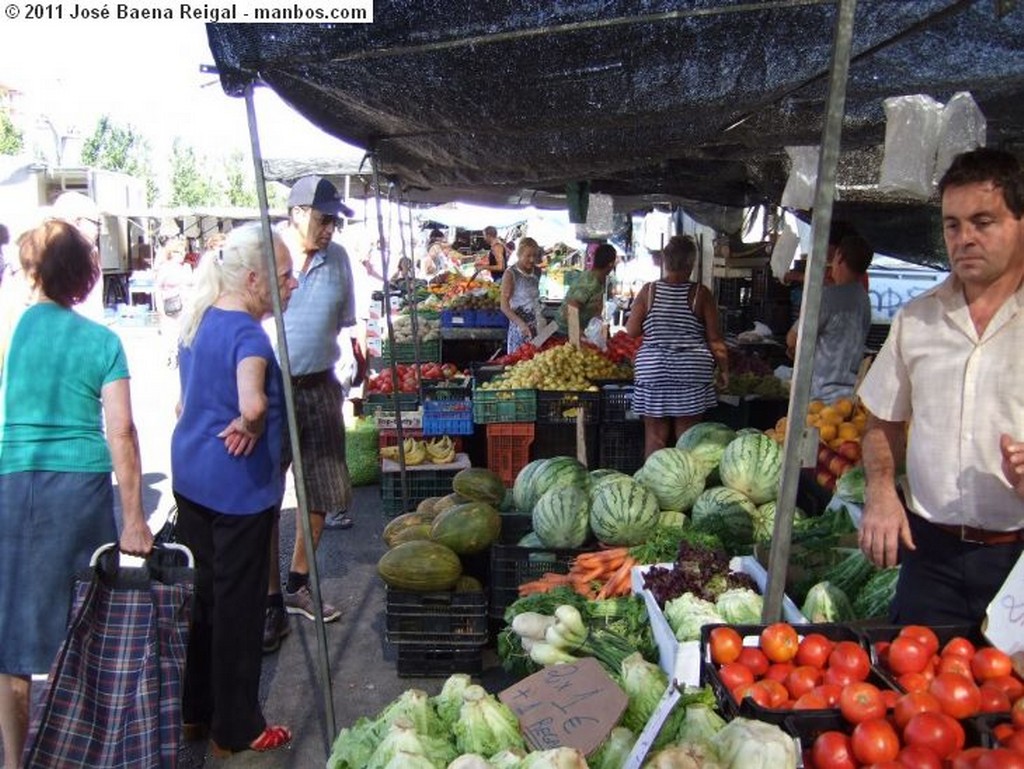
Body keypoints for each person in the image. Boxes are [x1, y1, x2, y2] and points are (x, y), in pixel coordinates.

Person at [0, 220, 154, 768]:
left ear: (33, 272)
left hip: (13, 484)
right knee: (87, 628)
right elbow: (122, 432)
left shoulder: (10, 333)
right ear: (86, 277)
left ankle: (16, 762)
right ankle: (82, 753)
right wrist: (134, 519)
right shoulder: (102, 341)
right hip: (81, 492)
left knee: (12, 645)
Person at [858, 147, 1024, 628]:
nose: (964, 238)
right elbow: (880, 423)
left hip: (1017, 561)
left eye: (983, 221)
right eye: (953, 224)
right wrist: (882, 492)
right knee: (912, 694)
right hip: (930, 556)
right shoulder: (917, 320)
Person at [171, 223, 296, 756]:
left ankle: (195, 712)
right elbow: (252, 403)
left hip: (191, 478)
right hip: (236, 493)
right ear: (253, 279)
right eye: (284, 277)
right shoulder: (250, 335)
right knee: (239, 609)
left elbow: (182, 405)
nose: (292, 285)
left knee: (202, 600)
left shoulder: (198, 320)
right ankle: (237, 728)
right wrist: (250, 423)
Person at [263, 175, 359, 653]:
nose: (329, 232)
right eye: (323, 221)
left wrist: (355, 361)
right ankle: (269, 600)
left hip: (319, 386)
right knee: (262, 496)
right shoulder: (265, 255)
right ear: (297, 213)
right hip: (267, 390)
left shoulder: (338, 260)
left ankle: (299, 581)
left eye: (335, 224)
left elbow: (345, 324)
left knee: (320, 491)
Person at [626, 234, 729, 457]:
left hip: (653, 370)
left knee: (655, 437)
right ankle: (686, 483)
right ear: (691, 263)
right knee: (688, 438)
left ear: (664, 261)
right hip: (690, 370)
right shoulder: (701, 294)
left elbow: (632, 330)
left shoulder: (649, 291)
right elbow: (715, 340)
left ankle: (653, 483)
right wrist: (724, 370)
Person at [785, 232, 873, 402]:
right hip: (849, 398)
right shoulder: (864, 299)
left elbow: (793, 339)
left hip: (820, 398)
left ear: (839, 257)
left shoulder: (827, 297)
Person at [555, 242, 616, 337]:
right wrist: (578, 333)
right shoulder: (589, 282)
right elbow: (572, 306)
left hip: (582, 328)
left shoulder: (602, 282)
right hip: (565, 331)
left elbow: (598, 309)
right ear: (611, 264)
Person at [154, 238, 193, 368]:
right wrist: (159, 307)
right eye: (180, 252)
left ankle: (182, 356)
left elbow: (191, 285)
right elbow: (158, 288)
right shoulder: (165, 268)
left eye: (184, 252)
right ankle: (172, 356)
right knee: (171, 333)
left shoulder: (186, 268)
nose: (182, 255)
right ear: (172, 253)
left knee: (184, 332)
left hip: (185, 305)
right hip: (170, 306)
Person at [500, 237, 542, 353]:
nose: (532, 259)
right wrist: (521, 324)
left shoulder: (538, 272)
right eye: (528, 256)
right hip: (519, 328)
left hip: (536, 326)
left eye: (535, 255)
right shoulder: (510, 274)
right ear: (519, 254)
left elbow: (533, 298)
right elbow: (504, 306)